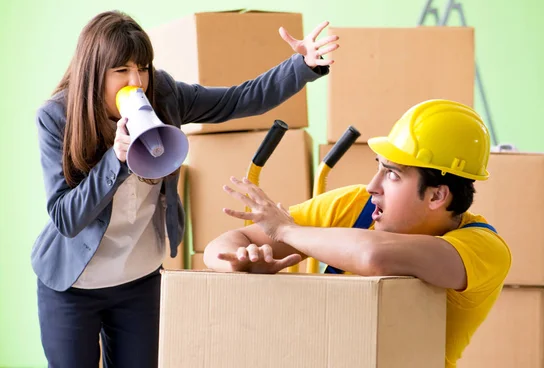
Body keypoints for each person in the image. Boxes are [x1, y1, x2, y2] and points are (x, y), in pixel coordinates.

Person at [33, 9, 338, 368]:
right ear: (93, 71)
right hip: (72, 286)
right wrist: (114, 162)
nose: (138, 81)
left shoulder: (162, 94)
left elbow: (239, 100)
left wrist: (301, 66)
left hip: (137, 281)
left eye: (142, 67)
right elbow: (65, 219)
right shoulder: (56, 117)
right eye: (121, 71)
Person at [203, 99, 512, 368]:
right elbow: (221, 247)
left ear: (436, 196)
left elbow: (375, 255)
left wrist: (285, 230)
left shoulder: (482, 249)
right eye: (379, 167)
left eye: (392, 174)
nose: (372, 186)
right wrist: (238, 262)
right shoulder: (353, 206)